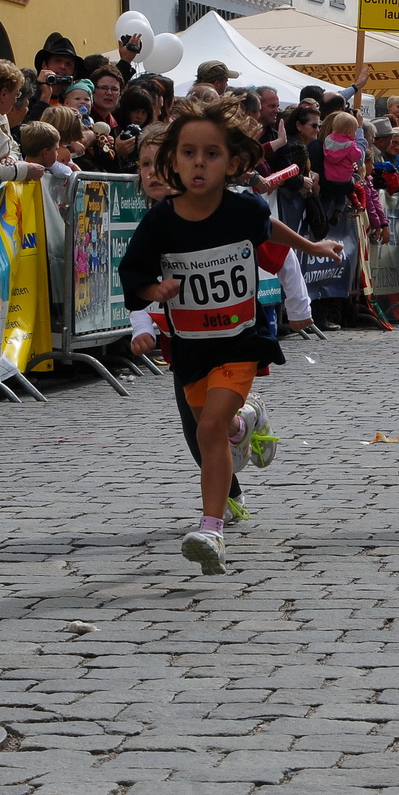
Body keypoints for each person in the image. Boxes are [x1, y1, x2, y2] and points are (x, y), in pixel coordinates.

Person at [118, 96, 340, 575]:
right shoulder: (159, 222)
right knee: (216, 430)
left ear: (233, 162)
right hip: (191, 347)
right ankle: (248, 423)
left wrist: (313, 246)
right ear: (172, 161)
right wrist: (154, 291)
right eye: (188, 153)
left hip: (240, 339)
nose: (199, 164)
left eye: (211, 154)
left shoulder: (243, 208)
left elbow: (272, 232)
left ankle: (211, 529)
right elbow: (133, 272)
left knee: (207, 429)